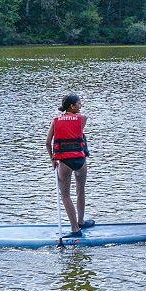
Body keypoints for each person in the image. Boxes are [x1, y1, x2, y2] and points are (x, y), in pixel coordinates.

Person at [46, 94, 93, 237]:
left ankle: (75, 228)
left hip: (65, 162)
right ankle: (81, 221)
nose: (81, 106)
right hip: (80, 160)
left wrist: (53, 159)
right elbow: (77, 126)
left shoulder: (55, 121)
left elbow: (48, 143)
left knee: (65, 195)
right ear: (71, 106)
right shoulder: (82, 119)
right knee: (80, 190)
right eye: (79, 103)